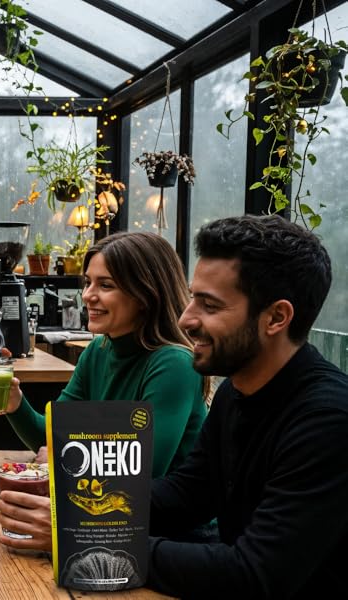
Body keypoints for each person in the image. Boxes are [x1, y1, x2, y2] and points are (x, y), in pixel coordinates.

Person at [146, 215, 348, 597]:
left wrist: (100, 543)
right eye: (192, 298)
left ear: (276, 317)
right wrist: (74, 505)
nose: (186, 319)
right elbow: (185, 497)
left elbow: (254, 576)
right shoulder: (236, 391)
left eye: (209, 305)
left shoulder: (329, 420)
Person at [0, 232, 207, 550]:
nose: (89, 295)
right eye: (88, 283)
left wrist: (64, 453)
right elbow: (52, 437)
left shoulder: (174, 364)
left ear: (145, 294)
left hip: (172, 541)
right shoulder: (98, 352)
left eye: (106, 285)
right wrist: (15, 404)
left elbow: (140, 472)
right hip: (103, 520)